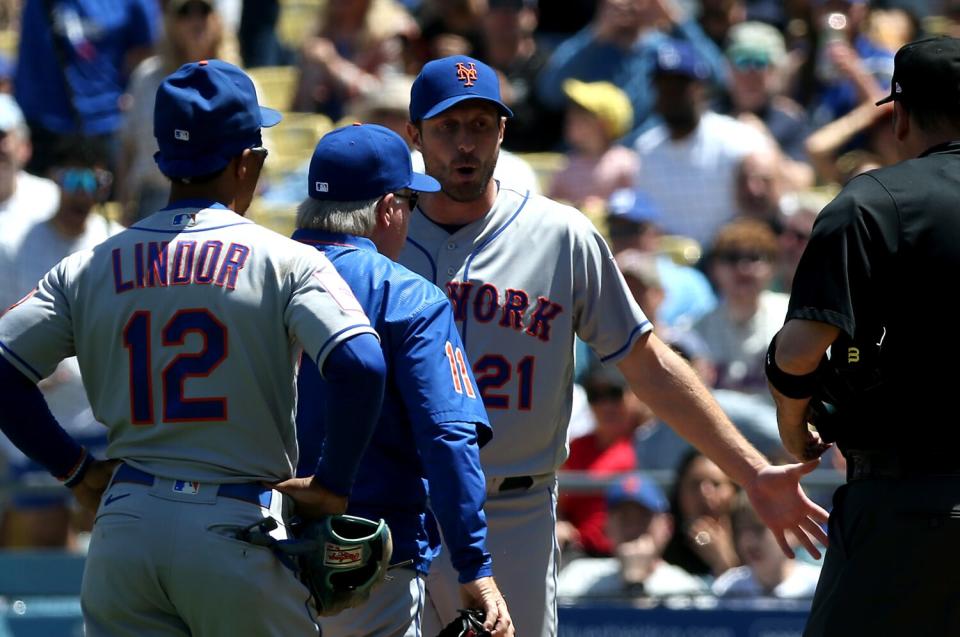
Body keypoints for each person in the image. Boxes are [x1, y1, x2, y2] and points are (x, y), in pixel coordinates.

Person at [401, 53, 828, 637]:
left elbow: (648, 366)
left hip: (514, 514)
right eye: (448, 126)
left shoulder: (561, 235)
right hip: (399, 506)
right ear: (414, 133)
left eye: (480, 125)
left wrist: (751, 471)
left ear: (503, 130)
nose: (465, 144)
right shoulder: (380, 234)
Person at [0, 59, 387, 636]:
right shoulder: (286, 259)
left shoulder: (90, 263)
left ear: (163, 160)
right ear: (245, 161)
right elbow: (361, 364)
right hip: (235, 528)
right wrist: (332, 482)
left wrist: (74, 469)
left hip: (127, 528)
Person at [768, 35, 960, 636]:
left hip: (908, 505)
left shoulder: (874, 203)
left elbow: (800, 352)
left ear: (899, 114)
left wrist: (794, 425)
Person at [292, 122, 512, 637]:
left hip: (250, 548)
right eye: (410, 203)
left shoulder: (252, 276)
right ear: (389, 207)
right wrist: (473, 563)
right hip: (366, 560)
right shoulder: (406, 295)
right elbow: (447, 436)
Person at [0, 137, 120, 549]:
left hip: (105, 422)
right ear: (55, 180)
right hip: (39, 422)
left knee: (110, 541)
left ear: (106, 185)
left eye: (93, 180)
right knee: (44, 538)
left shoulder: (119, 245)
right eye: (72, 178)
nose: (82, 191)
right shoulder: (15, 243)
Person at [557, 472, 707, 600]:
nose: (633, 526)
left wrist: (635, 583)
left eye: (643, 517)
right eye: (623, 517)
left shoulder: (685, 588)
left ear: (667, 526)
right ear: (606, 527)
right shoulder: (578, 577)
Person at [711, 491, 821, 599]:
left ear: (790, 530)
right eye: (740, 530)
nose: (747, 541)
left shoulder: (819, 586)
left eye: (758, 528)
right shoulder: (727, 588)